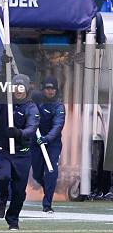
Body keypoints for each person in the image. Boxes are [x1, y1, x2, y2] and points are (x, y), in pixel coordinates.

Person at [0, 74, 40, 230]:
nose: (18, 90)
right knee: (2, 176)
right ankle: (2, 198)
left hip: (22, 154)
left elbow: (32, 128)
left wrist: (19, 133)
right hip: (3, 150)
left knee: (18, 191)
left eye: (21, 87)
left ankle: (13, 219)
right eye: (16, 86)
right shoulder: (5, 101)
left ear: (27, 89)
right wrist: (3, 68)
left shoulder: (31, 107)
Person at [31, 77, 65, 213]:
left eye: (53, 89)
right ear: (43, 89)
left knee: (51, 172)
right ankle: (48, 188)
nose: (50, 91)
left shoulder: (58, 106)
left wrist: (47, 139)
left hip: (52, 144)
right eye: (48, 88)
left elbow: (58, 125)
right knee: (37, 175)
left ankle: (47, 204)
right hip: (36, 142)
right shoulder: (35, 101)